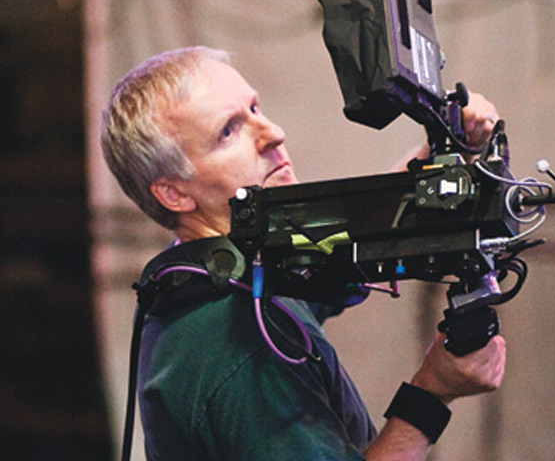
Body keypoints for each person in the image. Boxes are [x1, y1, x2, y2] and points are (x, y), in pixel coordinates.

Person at [101, 46, 506, 460]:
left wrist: (443, 150)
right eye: (228, 132)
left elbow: (341, 249)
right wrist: (432, 393)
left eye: (255, 108)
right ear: (174, 193)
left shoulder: (219, 273)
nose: (273, 133)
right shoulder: (237, 339)